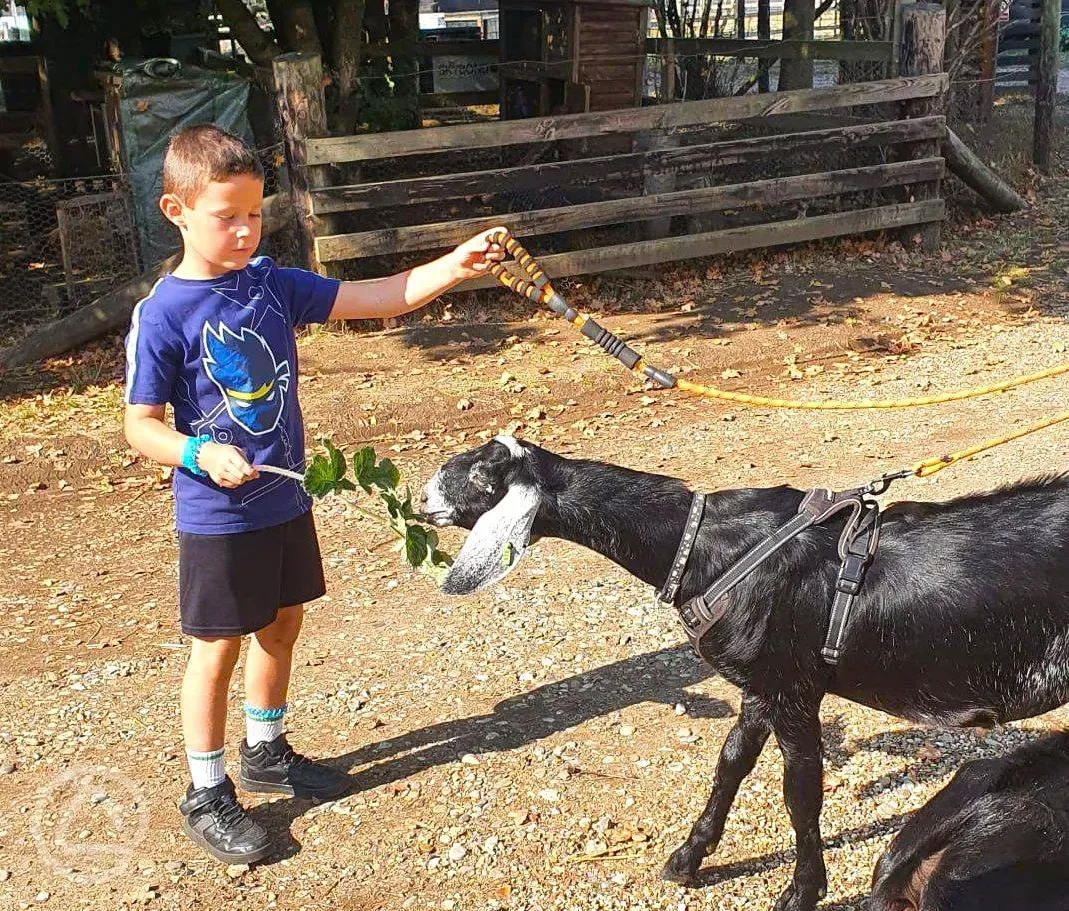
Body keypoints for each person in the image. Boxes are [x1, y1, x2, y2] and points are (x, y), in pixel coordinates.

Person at [123, 123, 504, 865]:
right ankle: (205, 789)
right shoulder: (164, 313)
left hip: (285, 500)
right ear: (176, 210)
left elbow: (375, 296)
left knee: (283, 622)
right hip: (217, 512)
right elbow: (141, 428)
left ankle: (266, 749)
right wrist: (199, 451)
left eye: (254, 214)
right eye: (224, 215)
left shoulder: (269, 283)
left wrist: (453, 266)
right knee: (216, 648)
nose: (242, 230)